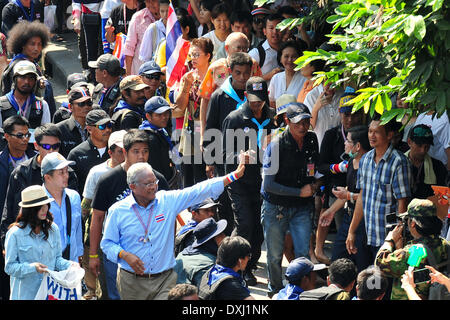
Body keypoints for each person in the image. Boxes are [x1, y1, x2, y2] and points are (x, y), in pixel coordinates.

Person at [100, 149, 251, 300]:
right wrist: (124, 255)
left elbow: (198, 190)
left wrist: (234, 175)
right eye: (148, 184)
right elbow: (107, 243)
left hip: (164, 280)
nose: (153, 187)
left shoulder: (167, 200)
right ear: (132, 187)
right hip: (131, 282)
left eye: (155, 182)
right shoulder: (118, 211)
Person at [88, 129, 168, 300]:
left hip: (152, 253)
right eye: (136, 151)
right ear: (124, 152)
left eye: (145, 151)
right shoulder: (108, 180)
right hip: (117, 254)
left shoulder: (157, 180)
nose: (141, 156)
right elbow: (97, 218)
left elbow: (169, 218)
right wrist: (93, 255)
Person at [261, 102, 322, 296]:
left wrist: (315, 186)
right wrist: (299, 192)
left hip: (302, 207)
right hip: (275, 207)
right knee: (274, 255)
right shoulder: (276, 145)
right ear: (287, 121)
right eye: (298, 123)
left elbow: (316, 170)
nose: (303, 127)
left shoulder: (312, 140)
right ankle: (276, 291)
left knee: (303, 253)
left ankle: (302, 293)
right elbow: (268, 185)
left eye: (306, 122)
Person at [222, 76, 276, 286]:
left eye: (260, 100)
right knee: (244, 224)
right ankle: (234, 266)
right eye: (253, 100)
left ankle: (250, 265)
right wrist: (238, 157)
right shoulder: (234, 119)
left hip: (264, 181)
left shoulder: (272, 118)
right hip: (240, 181)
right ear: (245, 96)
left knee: (258, 226)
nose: (256, 104)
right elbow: (221, 153)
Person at [1, 123, 78, 248]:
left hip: (59, 243)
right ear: (36, 146)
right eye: (47, 146)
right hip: (26, 242)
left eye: (56, 146)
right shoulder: (22, 172)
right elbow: (9, 211)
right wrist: (6, 244)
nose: (51, 151)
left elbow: (73, 214)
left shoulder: (68, 173)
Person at [346, 117, 412, 262]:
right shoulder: (365, 160)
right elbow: (362, 197)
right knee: (365, 279)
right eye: (370, 131)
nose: (372, 136)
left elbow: (402, 203)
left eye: (377, 132)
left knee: (383, 282)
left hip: (387, 237)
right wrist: (352, 231)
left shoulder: (399, 162)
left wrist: (399, 238)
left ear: (389, 135)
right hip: (367, 233)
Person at [315, 93, 364, 264]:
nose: (350, 119)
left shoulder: (365, 135)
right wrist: (337, 168)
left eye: (354, 114)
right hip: (336, 190)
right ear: (339, 113)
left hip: (359, 191)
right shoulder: (332, 135)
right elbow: (320, 165)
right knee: (342, 230)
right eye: (346, 114)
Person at [4, 185, 75, 300]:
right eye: (39, 206)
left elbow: (57, 260)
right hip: (24, 295)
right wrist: (32, 268)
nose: (45, 209)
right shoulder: (15, 233)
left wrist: (70, 265)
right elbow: (9, 267)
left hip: (49, 294)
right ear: (30, 210)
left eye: (46, 204)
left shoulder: (53, 229)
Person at [319, 125, 372, 273]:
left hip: (363, 221)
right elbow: (349, 192)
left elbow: (366, 196)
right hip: (348, 216)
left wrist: (348, 196)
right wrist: (330, 211)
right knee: (338, 259)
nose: (344, 144)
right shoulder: (350, 163)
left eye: (348, 141)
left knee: (361, 262)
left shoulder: (368, 166)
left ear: (358, 146)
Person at [80, 129, 126, 300]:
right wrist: (89, 248)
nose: (125, 155)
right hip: (104, 237)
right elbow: (86, 206)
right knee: (106, 288)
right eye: (121, 151)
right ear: (110, 152)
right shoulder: (97, 173)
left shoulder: (139, 171)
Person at [197, 32, 262, 148]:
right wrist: (203, 133)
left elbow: (260, 94)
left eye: (245, 48)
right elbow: (205, 100)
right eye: (238, 48)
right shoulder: (215, 68)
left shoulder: (253, 65)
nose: (242, 51)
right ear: (227, 49)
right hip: (222, 125)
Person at [376, 199, 450, 300]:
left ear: (413, 223)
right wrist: (400, 249)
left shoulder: (415, 251)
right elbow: (408, 265)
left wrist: (390, 240)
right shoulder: (444, 243)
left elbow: (380, 264)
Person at [174, 37, 214, 187]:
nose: (193, 59)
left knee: (204, 173)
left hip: (209, 127)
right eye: (191, 55)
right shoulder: (189, 76)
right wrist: (186, 86)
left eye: (197, 54)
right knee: (188, 173)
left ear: (208, 55)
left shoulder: (216, 76)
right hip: (190, 128)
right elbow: (180, 105)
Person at [1, 21, 56, 116]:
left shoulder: (31, 62)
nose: (36, 48)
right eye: (32, 44)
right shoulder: (20, 66)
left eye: (39, 44)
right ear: (23, 45)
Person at [42, 152, 83, 263]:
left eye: (66, 171)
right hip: (46, 265)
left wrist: (79, 254)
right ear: (48, 177)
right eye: (61, 172)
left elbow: (77, 229)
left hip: (71, 262)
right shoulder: (37, 201)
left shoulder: (74, 197)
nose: (66, 175)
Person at [68, 109, 112, 193]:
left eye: (109, 125)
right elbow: (71, 187)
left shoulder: (117, 150)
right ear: (89, 129)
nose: (107, 130)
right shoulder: (76, 154)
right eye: (102, 126)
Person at [198, 235, 254, 300]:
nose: (249, 259)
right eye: (248, 256)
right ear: (240, 261)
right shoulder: (230, 284)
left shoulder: (210, 272)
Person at [139, 96, 179, 187]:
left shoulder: (160, 130)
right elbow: (157, 168)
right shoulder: (150, 138)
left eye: (166, 113)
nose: (164, 117)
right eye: (159, 115)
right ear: (148, 116)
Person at [175, 217, 227, 286]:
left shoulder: (181, 255)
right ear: (211, 240)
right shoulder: (209, 265)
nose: (224, 236)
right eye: (220, 234)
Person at [0, 60, 51, 128]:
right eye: (22, 77)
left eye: (31, 78)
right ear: (15, 79)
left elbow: (46, 134)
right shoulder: (1, 104)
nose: (27, 81)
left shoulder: (42, 105)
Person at [0, 116, 36, 214]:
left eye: (28, 135)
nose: (25, 139)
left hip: (32, 218)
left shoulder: (36, 159)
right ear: (7, 136)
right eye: (20, 135)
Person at [405, 124, 448, 200]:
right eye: (419, 146)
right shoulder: (398, 164)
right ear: (409, 142)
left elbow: (443, 197)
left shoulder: (438, 167)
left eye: (427, 146)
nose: (423, 150)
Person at [123, 0, 160, 75]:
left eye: (153, 1)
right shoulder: (138, 17)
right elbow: (129, 48)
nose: (150, 4)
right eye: (147, 1)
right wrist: (128, 75)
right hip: (140, 72)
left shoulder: (170, 18)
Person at [71, 0, 104, 82]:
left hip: (106, 14)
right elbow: (76, 2)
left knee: (103, 47)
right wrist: (77, 19)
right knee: (90, 47)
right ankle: (93, 76)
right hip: (88, 16)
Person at [56, 87, 94, 158]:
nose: (86, 107)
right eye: (81, 104)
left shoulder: (97, 127)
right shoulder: (59, 130)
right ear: (70, 107)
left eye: (89, 103)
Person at [268, 40, 306, 108]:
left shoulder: (304, 79)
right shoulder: (276, 78)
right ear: (280, 59)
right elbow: (271, 101)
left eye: (294, 56)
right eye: (286, 56)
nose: (290, 60)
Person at [248, 13, 284, 83]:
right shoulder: (256, 54)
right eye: (271, 28)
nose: (275, 32)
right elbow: (246, 82)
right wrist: (268, 76)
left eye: (278, 28)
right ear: (264, 31)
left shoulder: (290, 51)